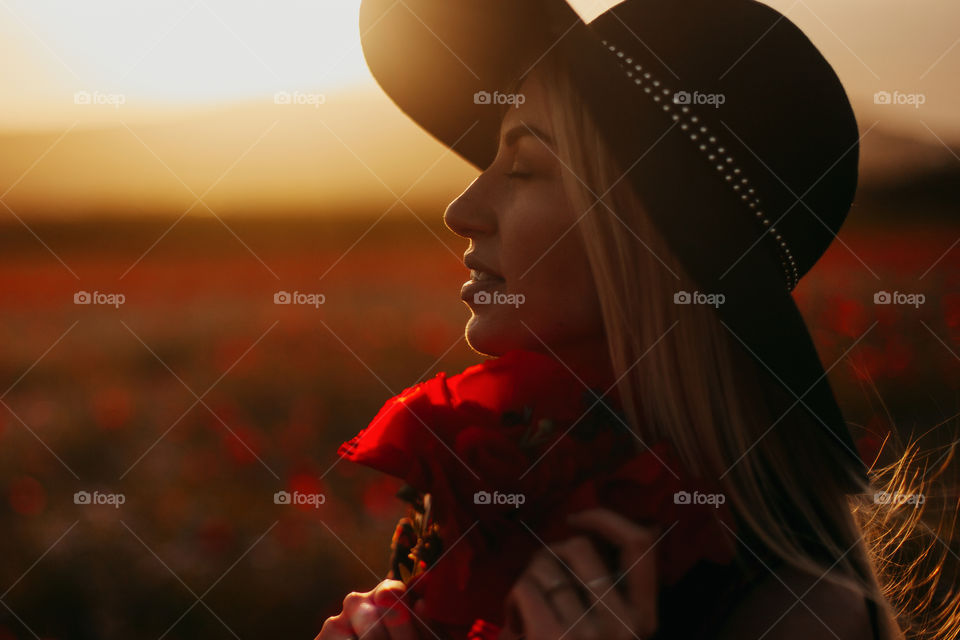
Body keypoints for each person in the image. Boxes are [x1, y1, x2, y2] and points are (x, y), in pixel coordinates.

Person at [318, 0, 960, 638]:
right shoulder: (499, 515)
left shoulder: (806, 620)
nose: (463, 208)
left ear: (650, 241)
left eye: (523, 167)